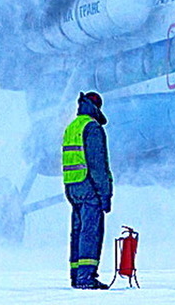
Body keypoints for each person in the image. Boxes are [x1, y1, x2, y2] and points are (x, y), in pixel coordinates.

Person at [62, 91, 113, 290]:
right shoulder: (92, 128)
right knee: (90, 232)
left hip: (72, 187)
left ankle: (76, 275)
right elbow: (97, 164)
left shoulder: (72, 126)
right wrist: (105, 193)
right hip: (89, 186)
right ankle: (86, 277)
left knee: (77, 231)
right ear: (96, 108)